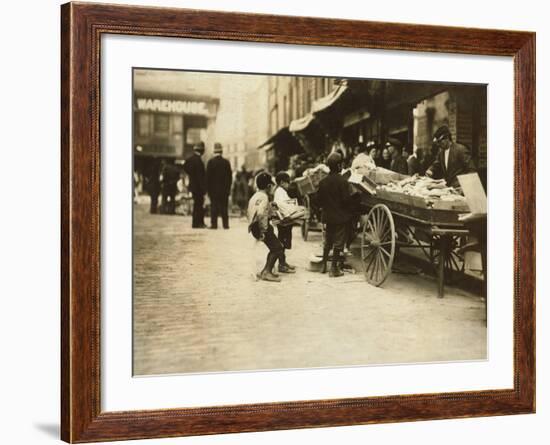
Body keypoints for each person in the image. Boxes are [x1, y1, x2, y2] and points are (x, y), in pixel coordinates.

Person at [317, 152, 353, 278]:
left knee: (328, 240)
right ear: (339, 166)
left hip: (328, 217)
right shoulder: (343, 181)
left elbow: (318, 201)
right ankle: (333, 269)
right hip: (340, 217)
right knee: (338, 243)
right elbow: (345, 200)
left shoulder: (322, 182)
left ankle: (323, 266)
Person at [247, 172, 284, 283]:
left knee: (275, 246)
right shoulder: (264, 197)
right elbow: (261, 214)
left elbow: (253, 211)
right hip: (262, 227)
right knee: (278, 248)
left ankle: (266, 270)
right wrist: (264, 230)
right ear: (268, 186)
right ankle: (267, 272)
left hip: (254, 226)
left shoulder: (255, 196)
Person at [273, 171, 296, 274]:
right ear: (282, 182)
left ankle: (283, 261)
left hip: (285, 220)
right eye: (288, 182)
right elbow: (281, 205)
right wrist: (289, 213)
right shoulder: (279, 192)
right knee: (282, 242)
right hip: (283, 220)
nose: (288, 185)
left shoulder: (281, 191)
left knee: (284, 241)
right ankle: (281, 264)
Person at [206, 142, 233, 229]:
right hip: (224, 190)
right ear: (221, 151)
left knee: (214, 207)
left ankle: (214, 224)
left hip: (213, 190)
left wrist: (208, 190)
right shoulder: (226, 163)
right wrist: (228, 189)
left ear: (214, 151)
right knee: (224, 207)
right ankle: (226, 225)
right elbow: (230, 178)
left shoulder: (210, 162)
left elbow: (207, 178)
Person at [183, 141, 207, 228]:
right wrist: (204, 189)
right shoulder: (199, 161)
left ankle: (196, 223)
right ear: (202, 150)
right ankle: (198, 223)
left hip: (193, 187)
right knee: (199, 206)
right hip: (199, 188)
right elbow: (201, 177)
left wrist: (191, 175)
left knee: (196, 205)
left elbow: (185, 168)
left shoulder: (190, 160)